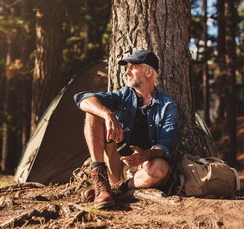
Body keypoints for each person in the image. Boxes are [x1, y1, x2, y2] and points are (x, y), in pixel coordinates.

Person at [74, 49, 179, 209]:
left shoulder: (167, 106)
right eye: (127, 67)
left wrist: (146, 155)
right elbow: (82, 98)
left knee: (161, 168)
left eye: (132, 67)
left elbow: (167, 144)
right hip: (115, 162)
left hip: (143, 168)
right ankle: (101, 181)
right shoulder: (123, 96)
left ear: (148, 71)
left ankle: (115, 190)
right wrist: (108, 114)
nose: (127, 71)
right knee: (93, 111)